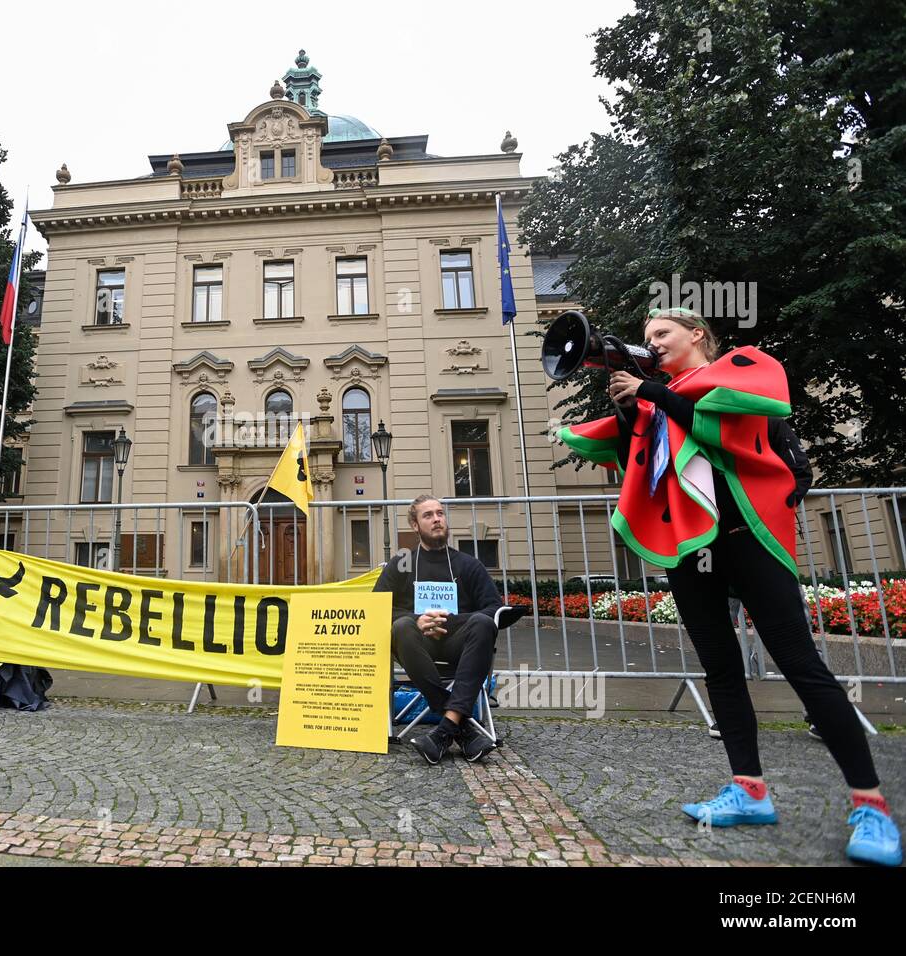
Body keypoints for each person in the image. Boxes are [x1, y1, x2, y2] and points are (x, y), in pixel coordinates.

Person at [559, 307, 901, 867]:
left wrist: (650, 390)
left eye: (661, 334)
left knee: (800, 664)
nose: (653, 343)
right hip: (692, 547)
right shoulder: (657, 398)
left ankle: (871, 806)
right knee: (720, 668)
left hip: (746, 536)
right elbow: (641, 465)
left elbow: (714, 422)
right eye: (647, 339)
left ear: (697, 335)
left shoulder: (738, 372)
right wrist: (628, 413)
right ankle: (749, 790)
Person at [374, 494, 523, 765]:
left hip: (459, 646)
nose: (437, 519)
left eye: (440, 513)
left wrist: (453, 621)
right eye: (428, 515)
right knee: (403, 626)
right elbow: (376, 607)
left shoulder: (468, 565)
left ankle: (445, 730)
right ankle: (461, 727)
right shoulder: (401, 563)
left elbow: (494, 608)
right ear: (415, 525)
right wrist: (417, 619)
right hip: (417, 647)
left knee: (482, 622)